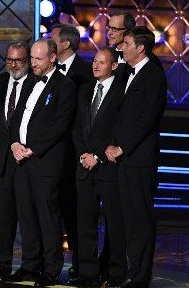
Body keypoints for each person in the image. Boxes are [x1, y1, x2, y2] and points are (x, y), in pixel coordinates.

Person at [6, 39, 77, 287]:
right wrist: (14, 143)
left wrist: (32, 149)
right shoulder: (29, 82)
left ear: (52, 58)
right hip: (21, 160)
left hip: (45, 162)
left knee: (47, 217)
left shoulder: (65, 86)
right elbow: (15, 118)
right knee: (26, 215)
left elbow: (60, 125)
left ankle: (51, 268)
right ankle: (29, 265)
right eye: (32, 58)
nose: (33, 63)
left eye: (38, 59)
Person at [106, 26, 167, 288]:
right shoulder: (127, 73)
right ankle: (132, 271)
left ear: (140, 48)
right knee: (128, 218)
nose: (122, 48)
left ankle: (141, 276)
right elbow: (120, 115)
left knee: (140, 218)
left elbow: (148, 118)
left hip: (140, 159)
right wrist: (112, 144)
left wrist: (123, 147)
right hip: (123, 158)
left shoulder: (153, 74)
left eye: (127, 44)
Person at [71, 48, 127, 287]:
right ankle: (88, 273)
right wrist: (83, 155)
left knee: (115, 223)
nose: (95, 65)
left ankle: (116, 273)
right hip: (84, 166)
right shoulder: (85, 90)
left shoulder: (122, 91)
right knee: (85, 222)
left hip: (109, 168)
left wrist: (98, 156)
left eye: (101, 62)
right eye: (94, 61)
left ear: (113, 66)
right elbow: (77, 127)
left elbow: (120, 129)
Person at [49, 23, 94, 279]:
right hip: (47, 153)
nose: (48, 40)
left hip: (74, 154)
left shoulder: (86, 73)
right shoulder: (45, 68)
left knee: (74, 212)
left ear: (65, 43)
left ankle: (80, 263)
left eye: (52, 38)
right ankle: (49, 262)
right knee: (49, 210)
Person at [0, 40, 34, 280]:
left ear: (27, 61)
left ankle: (30, 265)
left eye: (18, 60)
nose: (13, 65)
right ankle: (2, 263)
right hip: (1, 162)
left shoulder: (37, 84)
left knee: (28, 217)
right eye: (9, 60)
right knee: (3, 217)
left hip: (27, 161)